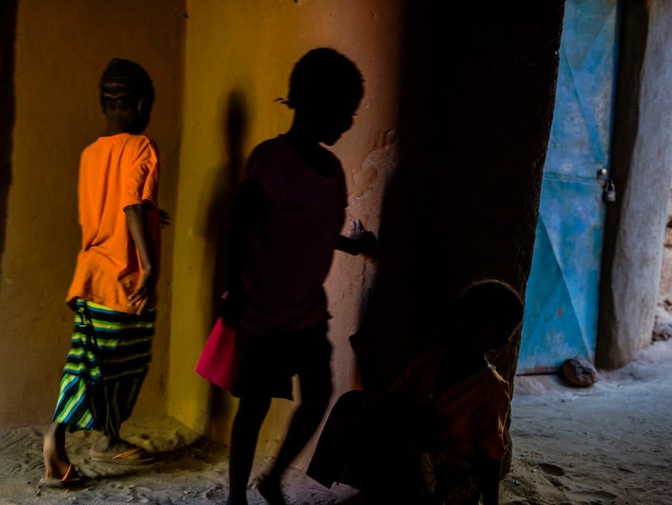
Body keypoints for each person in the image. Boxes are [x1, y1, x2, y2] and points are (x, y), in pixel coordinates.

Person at [220, 47, 378, 505]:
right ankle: (235, 495)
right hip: (263, 311)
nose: (347, 123)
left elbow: (315, 230)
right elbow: (239, 226)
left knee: (318, 396)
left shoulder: (333, 170)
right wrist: (233, 289)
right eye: (341, 111)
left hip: (307, 311)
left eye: (351, 114)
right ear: (306, 101)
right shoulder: (270, 160)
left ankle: (272, 478)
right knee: (254, 406)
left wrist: (353, 245)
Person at [40, 58, 166, 489]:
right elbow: (130, 202)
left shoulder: (91, 154)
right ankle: (57, 440)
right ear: (141, 103)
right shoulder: (142, 147)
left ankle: (106, 438)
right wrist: (149, 264)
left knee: (97, 358)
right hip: (125, 278)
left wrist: (151, 215)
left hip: (91, 273)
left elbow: (116, 205)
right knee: (109, 364)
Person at [306, 279, 525, 505]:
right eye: (459, 316)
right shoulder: (427, 364)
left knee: (428, 444)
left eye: (474, 323)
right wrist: (366, 362)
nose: (459, 326)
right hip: (411, 454)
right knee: (355, 403)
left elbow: (490, 456)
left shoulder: (491, 390)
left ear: (498, 342)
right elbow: (386, 403)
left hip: (449, 475)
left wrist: (491, 502)